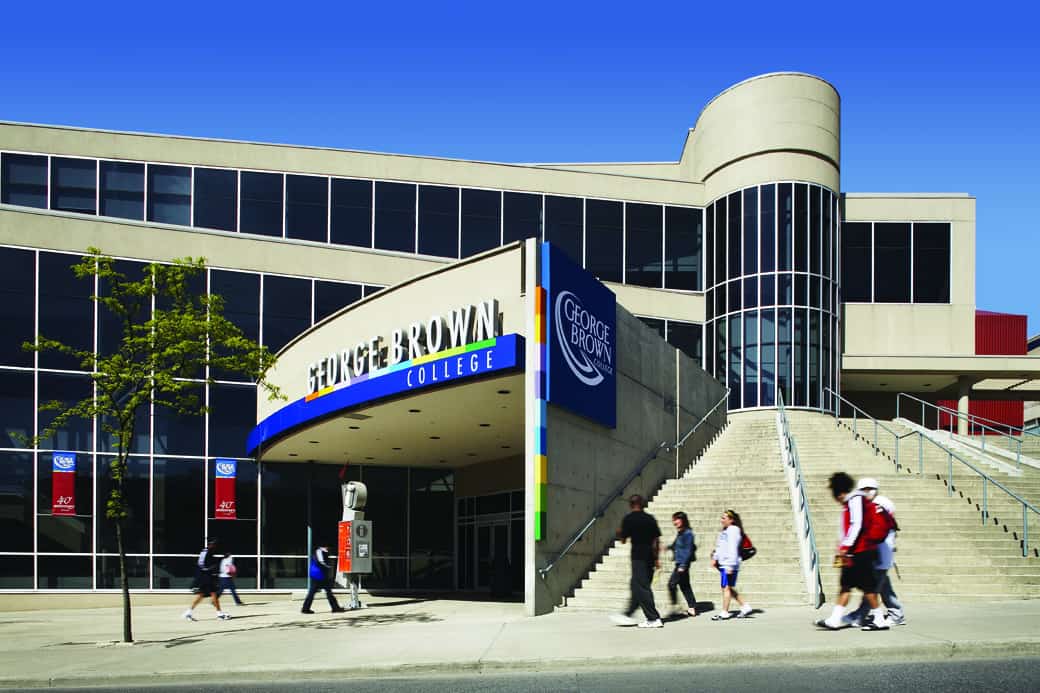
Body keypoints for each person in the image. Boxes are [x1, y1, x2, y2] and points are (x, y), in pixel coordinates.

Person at [815, 472, 892, 631]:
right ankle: (835, 619)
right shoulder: (852, 502)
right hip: (854, 552)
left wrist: (845, 546)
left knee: (868, 588)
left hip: (861, 551)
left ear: (839, 492)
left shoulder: (856, 499)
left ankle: (879, 620)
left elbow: (856, 524)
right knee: (846, 586)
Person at [843, 479, 905, 627]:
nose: (867, 492)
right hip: (876, 551)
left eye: (870, 489)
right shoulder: (870, 504)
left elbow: (876, 529)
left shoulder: (879, 504)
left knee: (872, 586)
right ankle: (896, 614)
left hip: (881, 551)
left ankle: (860, 615)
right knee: (881, 585)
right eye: (863, 489)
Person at [609, 495, 663, 628]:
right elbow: (656, 540)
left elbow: (623, 540)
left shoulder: (629, 519)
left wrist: (619, 532)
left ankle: (653, 618)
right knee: (636, 586)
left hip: (638, 558)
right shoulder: (650, 519)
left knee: (642, 588)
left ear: (631, 504)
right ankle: (628, 614)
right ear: (642, 504)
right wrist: (656, 559)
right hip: (650, 557)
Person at [710, 509, 753, 620]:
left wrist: (730, 566)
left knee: (725, 588)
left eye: (724, 518)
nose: (722, 520)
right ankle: (745, 606)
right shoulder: (725, 531)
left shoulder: (733, 530)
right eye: (722, 517)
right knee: (727, 588)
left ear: (731, 520)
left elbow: (733, 549)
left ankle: (725, 612)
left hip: (729, 564)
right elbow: (720, 547)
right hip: (724, 564)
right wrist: (715, 558)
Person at [182, 537, 230, 621]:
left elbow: (208, 562)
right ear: (210, 544)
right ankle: (219, 614)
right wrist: (210, 568)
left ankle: (188, 613)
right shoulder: (207, 552)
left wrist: (220, 559)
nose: (215, 546)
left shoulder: (206, 551)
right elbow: (202, 564)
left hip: (205, 577)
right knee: (213, 594)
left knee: (201, 596)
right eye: (214, 544)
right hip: (206, 578)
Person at [666, 511, 698, 617]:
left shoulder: (688, 533)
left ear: (683, 520)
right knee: (685, 585)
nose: (674, 522)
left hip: (682, 564)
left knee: (671, 584)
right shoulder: (681, 533)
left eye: (676, 519)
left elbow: (688, 550)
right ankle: (692, 608)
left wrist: (683, 565)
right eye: (673, 520)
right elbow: (676, 545)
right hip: (680, 562)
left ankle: (676, 607)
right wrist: (668, 547)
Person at [302, 543, 346, 614]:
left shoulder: (318, 551)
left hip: (316, 575)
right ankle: (335, 608)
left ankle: (305, 608)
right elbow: (321, 561)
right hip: (319, 575)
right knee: (328, 592)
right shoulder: (320, 551)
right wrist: (328, 567)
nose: (328, 548)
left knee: (313, 592)